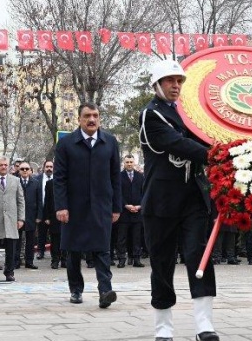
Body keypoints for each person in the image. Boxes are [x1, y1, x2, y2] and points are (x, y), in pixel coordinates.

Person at [139, 59, 218, 341]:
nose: (176, 86)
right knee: (162, 264)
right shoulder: (151, 115)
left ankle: (205, 325)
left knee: (201, 258)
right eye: (170, 81)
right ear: (157, 85)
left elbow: (207, 134)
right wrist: (215, 154)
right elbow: (175, 143)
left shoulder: (188, 113)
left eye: (179, 81)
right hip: (161, 201)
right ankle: (163, 328)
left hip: (193, 199)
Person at [54, 102, 122, 309]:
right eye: (87, 116)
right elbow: (59, 178)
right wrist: (61, 206)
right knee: (74, 250)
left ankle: (105, 291)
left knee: (102, 249)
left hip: (102, 205)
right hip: (74, 207)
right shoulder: (66, 144)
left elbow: (115, 177)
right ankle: (76, 289)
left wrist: (116, 206)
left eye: (95, 115)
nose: (92, 120)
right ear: (79, 119)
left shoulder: (109, 142)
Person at [116, 154, 145, 268]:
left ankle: (136, 259)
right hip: (124, 212)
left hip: (137, 212)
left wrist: (140, 205)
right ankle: (122, 259)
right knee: (122, 238)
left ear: (134, 163)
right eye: (127, 162)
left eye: (131, 162)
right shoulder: (119, 176)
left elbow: (144, 192)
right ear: (124, 163)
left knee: (136, 237)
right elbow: (117, 193)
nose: (129, 164)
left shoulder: (140, 176)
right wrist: (125, 205)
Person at [16, 162, 40, 270]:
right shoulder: (15, 182)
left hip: (31, 215)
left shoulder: (35, 183)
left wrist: (39, 215)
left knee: (31, 241)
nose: (25, 171)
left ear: (30, 170)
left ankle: (29, 261)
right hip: (17, 216)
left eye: (27, 169)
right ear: (19, 171)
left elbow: (40, 201)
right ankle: (15, 261)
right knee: (17, 240)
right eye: (22, 169)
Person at [35, 160, 54, 260]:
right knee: (41, 233)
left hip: (54, 211)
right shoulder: (37, 179)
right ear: (43, 168)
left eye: (51, 167)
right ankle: (40, 251)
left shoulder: (57, 179)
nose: (49, 169)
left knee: (54, 234)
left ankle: (55, 253)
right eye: (47, 166)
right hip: (41, 210)